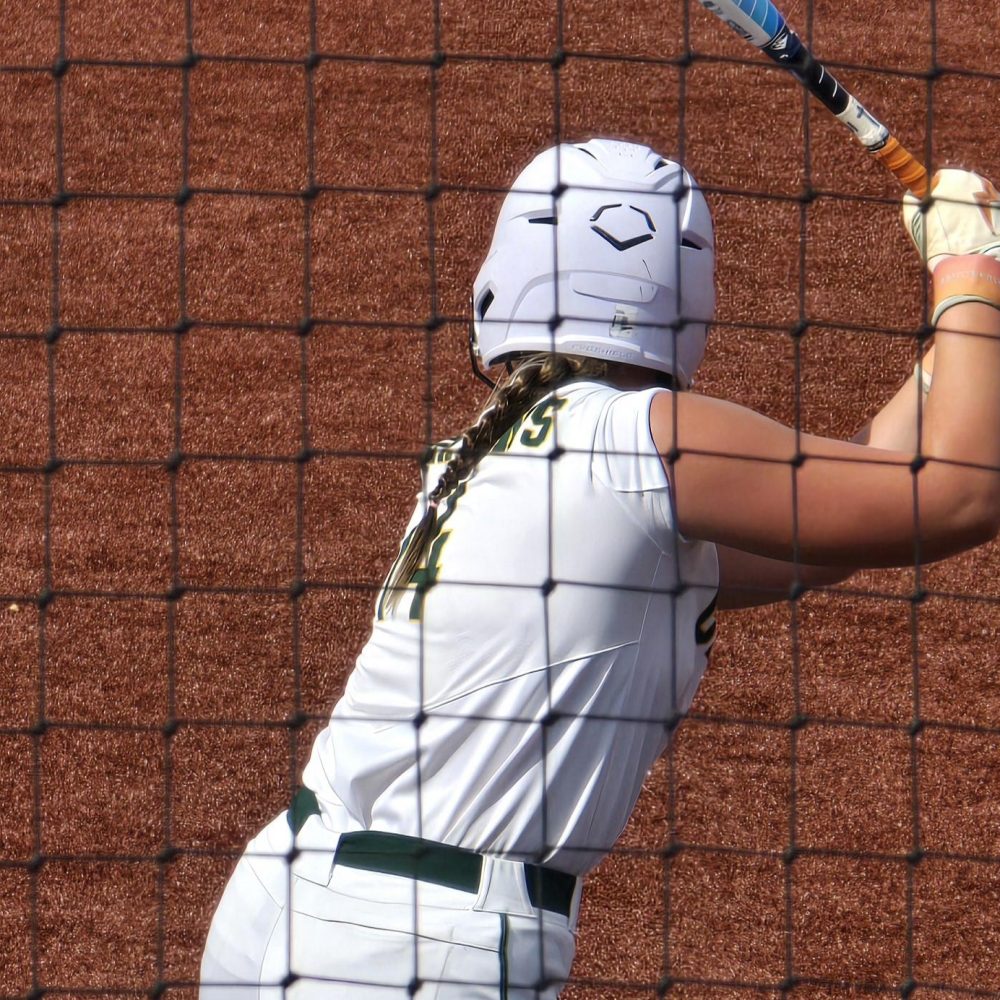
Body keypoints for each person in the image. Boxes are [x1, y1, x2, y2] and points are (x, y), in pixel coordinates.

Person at [199, 140, 1000, 998]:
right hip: (420, 954)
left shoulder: (512, 450)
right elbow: (958, 492)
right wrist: (968, 273)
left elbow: (834, 531)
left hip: (283, 901)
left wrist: (962, 333)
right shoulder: (650, 438)